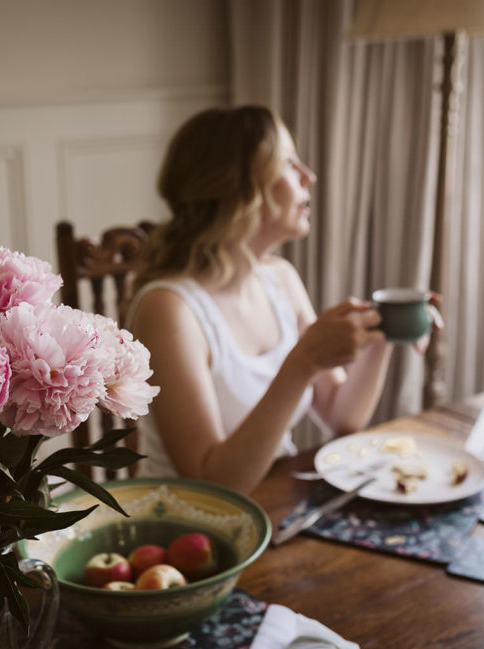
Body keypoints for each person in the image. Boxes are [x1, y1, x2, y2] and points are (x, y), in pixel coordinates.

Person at [128, 105, 429, 495]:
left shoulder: (280, 279)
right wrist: (302, 362)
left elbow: (342, 418)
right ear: (241, 190)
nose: (309, 176)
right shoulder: (170, 309)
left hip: (272, 501)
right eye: (289, 163)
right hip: (184, 530)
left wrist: (384, 331)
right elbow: (208, 483)